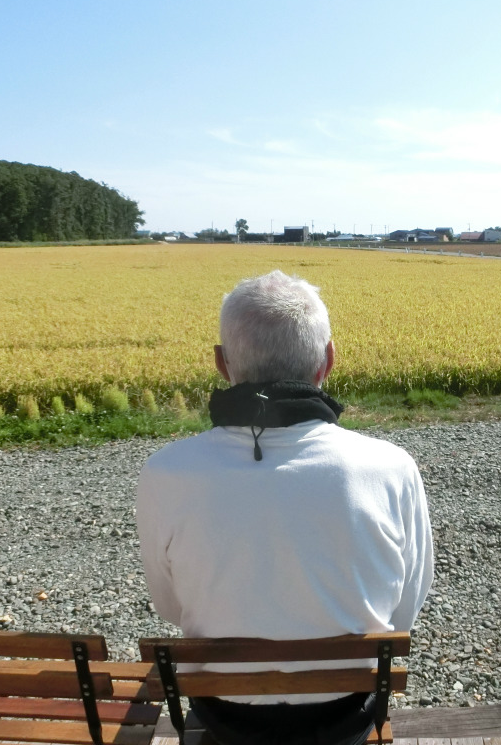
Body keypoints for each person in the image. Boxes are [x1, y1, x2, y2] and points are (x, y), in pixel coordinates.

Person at [136, 270, 434, 745]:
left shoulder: (165, 472)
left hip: (225, 714)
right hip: (346, 714)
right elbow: (404, 610)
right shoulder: (391, 468)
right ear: (328, 360)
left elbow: (170, 606)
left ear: (222, 364)